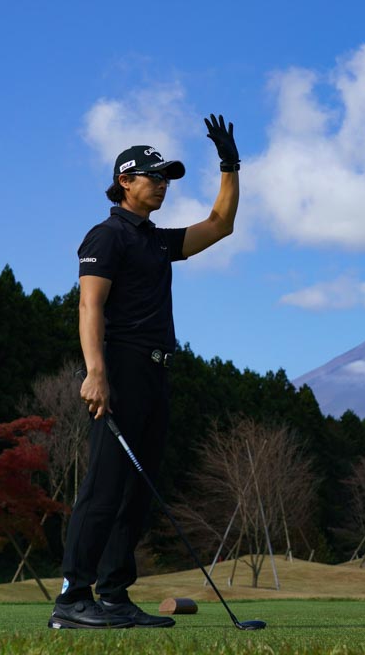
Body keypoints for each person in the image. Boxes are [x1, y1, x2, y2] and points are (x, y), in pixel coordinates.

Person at [49, 114, 240, 629]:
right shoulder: (106, 236)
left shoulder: (155, 241)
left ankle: (112, 595)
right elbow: (90, 307)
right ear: (124, 182)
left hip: (158, 372)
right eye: (153, 176)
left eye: (166, 178)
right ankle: (71, 598)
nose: (162, 185)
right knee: (105, 487)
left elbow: (221, 225)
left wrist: (229, 165)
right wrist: (96, 372)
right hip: (121, 368)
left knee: (138, 489)